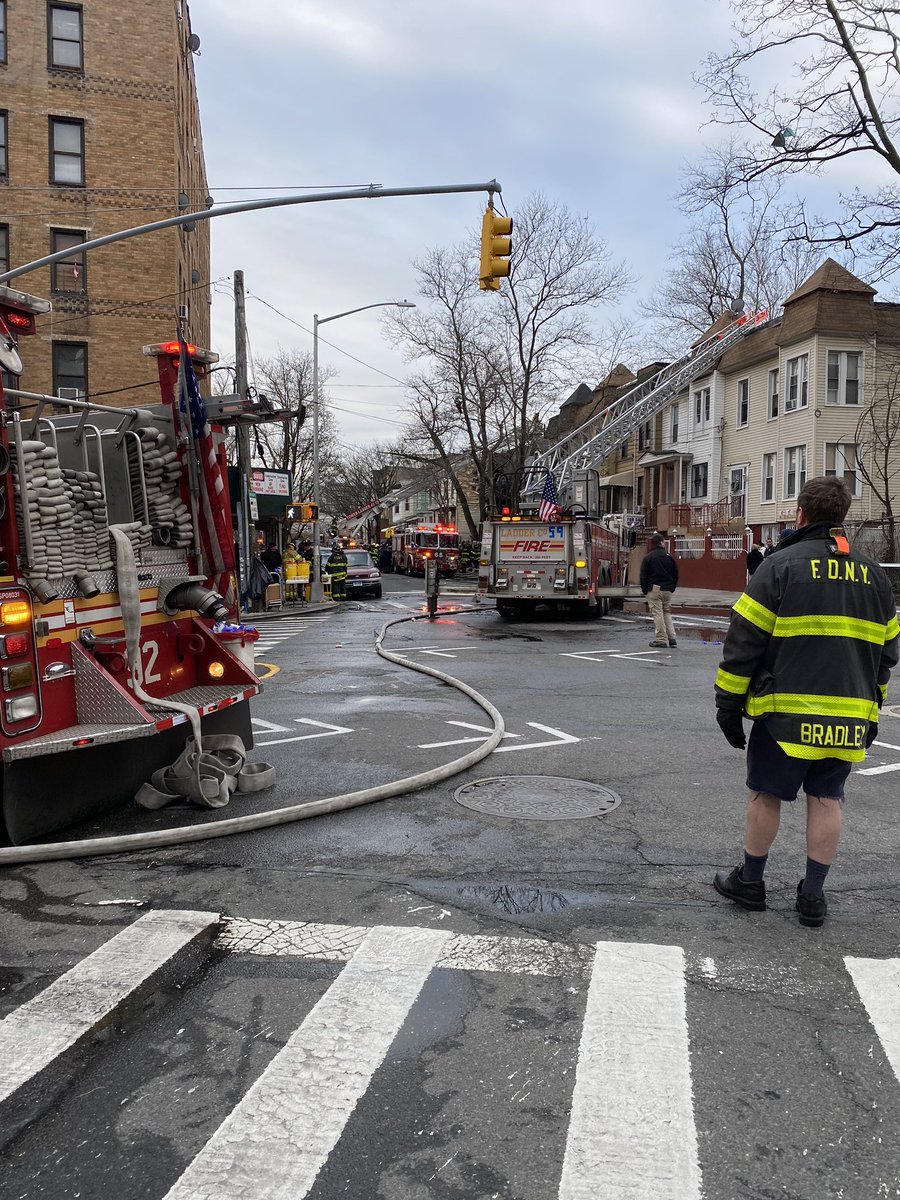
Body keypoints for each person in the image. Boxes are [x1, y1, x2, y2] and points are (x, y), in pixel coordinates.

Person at [713, 476, 899, 927]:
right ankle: (813, 897)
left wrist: (729, 705)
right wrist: (872, 708)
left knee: (765, 797)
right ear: (843, 516)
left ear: (800, 514)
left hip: (784, 717)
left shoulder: (777, 567)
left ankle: (751, 883)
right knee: (827, 800)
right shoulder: (875, 577)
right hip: (849, 717)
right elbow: (886, 654)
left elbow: (744, 644)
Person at [640, 531, 679, 648]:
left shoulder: (648, 557)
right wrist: (672, 588)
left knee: (658, 613)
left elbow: (643, 575)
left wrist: (645, 590)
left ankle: (661, 639)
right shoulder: (669, 557)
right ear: (662, 542)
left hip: (654, 589)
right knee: (667, 612)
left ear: (652, 544)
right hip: (668, 589)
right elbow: (675, 574)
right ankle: (672, 638)